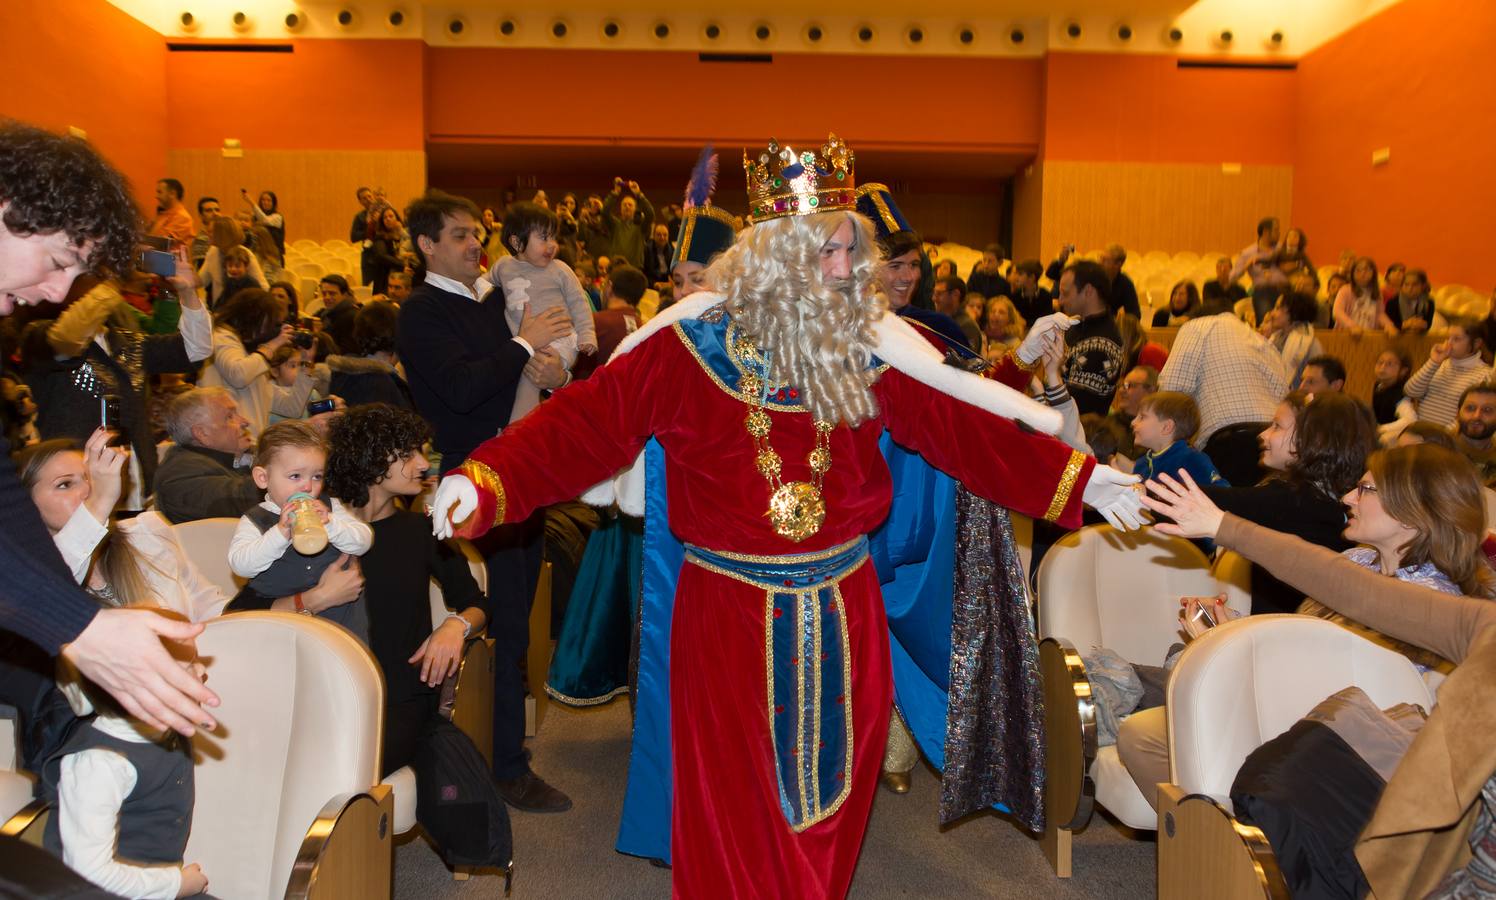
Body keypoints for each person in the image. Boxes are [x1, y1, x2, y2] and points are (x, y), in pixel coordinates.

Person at [428, 133, 1144, 895]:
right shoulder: (686, 353)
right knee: (733, 801)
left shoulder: (869, 354)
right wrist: (488, 479)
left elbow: (963, 432)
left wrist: (1080, 481)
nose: (843, 272)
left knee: (833, 803)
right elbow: (582, 426)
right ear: (773, 258)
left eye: (850, 254)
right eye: (824, 254)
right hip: (726, 615)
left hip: (845, 608)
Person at [227, 404, 515, 876]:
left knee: (328, 774)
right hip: (316, 691)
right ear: (368, 458)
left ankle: (328, 876)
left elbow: (479, 601)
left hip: (396, 695)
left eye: (422, 452)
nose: (423, 464)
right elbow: (240, 617)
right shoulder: (308, 526)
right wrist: (314, 598)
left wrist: (454, 626)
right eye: (406, 453)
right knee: (270, 763)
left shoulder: (421, 529)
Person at [0, 121, 218, 740]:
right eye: (62, 261)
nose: (56, 289)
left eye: (77, 274)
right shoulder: (48, 340)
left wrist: (188, 290)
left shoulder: (121, 342)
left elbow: (188, 349)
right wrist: (80, 626)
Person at [395, 189, 574, 814]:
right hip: (472, 483)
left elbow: (526, 374)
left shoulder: (492, 300)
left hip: (520, 474)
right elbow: (465, 390)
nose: (476, 244)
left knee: (517, 624)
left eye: (478, 234)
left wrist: (551, 372)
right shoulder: (421, 311)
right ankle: (504, 768)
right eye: (460, 235)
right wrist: (524, 346)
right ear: (426, 245)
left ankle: (507, 752)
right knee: (499, 621)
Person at [1200, 392, 1377, 614]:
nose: (1263, 434)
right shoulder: (1337, 502)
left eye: (1277, 426)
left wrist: (1146, 492)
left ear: (1312, 440)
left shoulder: (1293, 500)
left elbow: (1211, 501)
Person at [227, 420, 373, 639]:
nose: (307, 487)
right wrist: (279, 533)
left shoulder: (329, 507)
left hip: (343, 621)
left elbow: (363, 541)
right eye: (295, 476)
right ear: (263, 478)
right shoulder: (255, 519)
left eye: (317, 476)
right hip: (284, 627)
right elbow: (241, 565)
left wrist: (330, 524)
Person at [1158, 290, 1289, 486]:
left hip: (1229, 443)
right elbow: (1283, 393)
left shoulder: (1197, 326)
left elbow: (1171, 389)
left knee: (1223, 512)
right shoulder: (1261, 339)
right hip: (1273, 441)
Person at [489, 202, 597, 423]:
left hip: (561, 339)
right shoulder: (503, 267)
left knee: (532, 375)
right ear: (517, 242)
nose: (552, 245)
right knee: (526, 371)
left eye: (553, 238)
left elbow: (579, 303)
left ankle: (517, 431)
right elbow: (481, 285)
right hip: (527, 343)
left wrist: (587, 335)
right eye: (544, 238)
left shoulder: (560, 270)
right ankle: (524, 430)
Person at [200, 287, 318, 438]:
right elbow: (238, 375)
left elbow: (292, 408)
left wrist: (306, 362)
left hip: (247, 444)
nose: (268, 330)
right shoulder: (221, 336)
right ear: (254, 318)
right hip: (223, 442)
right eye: (269, 323)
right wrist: (272, 345)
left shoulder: (254, 358)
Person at [153, 388, 261, 523]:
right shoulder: (179, 475)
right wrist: (286, 472)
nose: (245, 422)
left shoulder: (238, 454)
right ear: (202, 434)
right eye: (229, 417)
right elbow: (241, 500)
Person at [1056, 259, 1124, 416]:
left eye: (1065, 293)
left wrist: (1052, 372)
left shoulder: (1102, 344)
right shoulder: (1075, 326)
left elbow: (1072, 406)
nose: (1060, 300)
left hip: (1081, 433)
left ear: (1088, 291)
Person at [1405, 318, 1491, 428]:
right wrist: (1434, 362)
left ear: (1476, 343)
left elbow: (1470, 417)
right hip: (1420, 430)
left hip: (1445, 438)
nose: (1448, 343)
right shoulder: (1439, 365)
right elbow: (1411, 392)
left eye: (1456, 339)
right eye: (1448, 338)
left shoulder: (1484, 375)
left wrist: (1442, 436)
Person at [1129, 391, 1227, 487]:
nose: (1133, 422)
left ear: (1166, 427)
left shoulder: (1192, 459)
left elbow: (1221, 494)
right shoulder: (1142, 464)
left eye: (1142, 417)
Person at [574, 265, 643, 381]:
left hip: (594, 394)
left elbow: (575, 369)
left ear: (609, 287)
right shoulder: (643, 327)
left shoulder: (594, 322)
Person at [1258, 291, 1323, 390]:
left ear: (1293, 313)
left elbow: (1319, 380)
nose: (1271, 313)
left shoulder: (1309, 343)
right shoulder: (1275, 338)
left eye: (1278, 308)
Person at [197, 217, 267, 308]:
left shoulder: (245, 254)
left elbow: (263, 288)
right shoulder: (213, 251)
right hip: (220, 310)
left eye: (211, 232)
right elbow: (201, 280)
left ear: (222, 235)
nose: (207, 234)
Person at [1232, 216, 1288, 324]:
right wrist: (1245, 266)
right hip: (1263, 292)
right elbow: (1233, 277)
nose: (1279, 233)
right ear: (1266, 232)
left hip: (1285, 291)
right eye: (1276, 230)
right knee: (1266, 323)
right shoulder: (1247, 253)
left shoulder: (1282, 250)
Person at [1334, 256, 1397, 334]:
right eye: (1358, 270)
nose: (1363, 273)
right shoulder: (1345, 290)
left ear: (1373, 273)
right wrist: (1352, 326)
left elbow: (1380, 314)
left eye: (1367, 270)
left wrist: (1388, 325)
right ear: (1352, 273)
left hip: (1369, 333)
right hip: (1347, 333)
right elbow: (1338, 312)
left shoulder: (1377, 293)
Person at [1108, 365, 1158, 462]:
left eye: (1130, 386)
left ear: (1151, 390)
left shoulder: (1158, 434)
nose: (1122, 390)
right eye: (1122, 385)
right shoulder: (1107, 426)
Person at [603, 179, 655, 268]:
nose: (627, 206)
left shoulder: (641, 226)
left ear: (635, 209)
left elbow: (650, 214)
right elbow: (605, 212)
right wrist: (615, 193)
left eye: (630, 205)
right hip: (616, 267)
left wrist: (639, 195)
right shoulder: (615, 225)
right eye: (624, 204)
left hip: (635, 268)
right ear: (620, 208)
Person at [1452, 382, 1496, 486]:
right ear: (1457, 413)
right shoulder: (1439, 448)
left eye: (1487, 410)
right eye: (1470, 408)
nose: (1477, 416)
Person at [932, 274, 982, 351]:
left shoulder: (967, 327)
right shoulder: (938, 320)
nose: (934, 298)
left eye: (939, 293)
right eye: (934, 293)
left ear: (955, 294)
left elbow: (967, 360)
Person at [369, 205, 406, 296]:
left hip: (401, 277)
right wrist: (402, 265)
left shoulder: (403, 235)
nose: (388, 219)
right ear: (382, 222)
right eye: (385, 217)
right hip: (385, 278)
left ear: (397, 218)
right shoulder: (380, 237)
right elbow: (382, 256)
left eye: (391, 216)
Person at [1387, 267, 1438, 333]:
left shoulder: (1429, 302)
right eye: (1406, 284)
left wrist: (1422, 325)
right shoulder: (1392, 303)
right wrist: (1406, 324)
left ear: (1423, 286)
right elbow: (1388, 325)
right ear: (1401, 286)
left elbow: (1428, 324)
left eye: (1415, 284)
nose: (1410, 288)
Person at [147, 178, 194, 250]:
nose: (156, 196)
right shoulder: (163, 214)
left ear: (172, 194)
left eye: (160, 192)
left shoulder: (182, 217)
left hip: (169, 260)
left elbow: (160, 242)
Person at [316, 274, 359, 353]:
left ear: (345, 295)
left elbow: (347, 352)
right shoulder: (323, 313)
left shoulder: (352, 317)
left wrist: (319, 336)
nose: (327, 297)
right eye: (324, 294)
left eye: (332, 293)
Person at [1372, 348, 1413, 428]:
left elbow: (1410, 420)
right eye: (1380, 362)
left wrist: (1382, 429)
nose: (1382, 367)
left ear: (1403, 371)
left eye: (1389, 364)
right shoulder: (1379, 385)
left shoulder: (1401, 393)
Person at [1007, 259, 1054, 326]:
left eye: (1020, 274)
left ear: (1032, 277)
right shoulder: (1015, 295)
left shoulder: (1046, 295)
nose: (1016, 277)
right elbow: (1014, 318)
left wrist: (1027, 323)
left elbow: (1046, 320)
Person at [240, 188, 284, 258]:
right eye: (263, 200)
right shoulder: (255, 215)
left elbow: (265, 220)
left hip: (273, 255)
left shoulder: (277, 217)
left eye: (269, 200)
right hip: (259, 253)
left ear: (273, 203)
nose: (265, 202)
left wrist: (251, 202)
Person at [981, 295, 1026, 363]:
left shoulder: (1014, 343)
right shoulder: (981, 336)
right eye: (993, 311)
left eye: (1001, 312)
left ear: (1009, 318)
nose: (996, 314)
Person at [188, 197, 219, 270]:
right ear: (201, 215)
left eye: (217, 210)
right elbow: (202, 270)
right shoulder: (200, 240)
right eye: (209, 211)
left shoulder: (226, 234)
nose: (215, 213)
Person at [641, 223, 673, 293]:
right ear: (653, 236)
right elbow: (643, 274)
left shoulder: (671, 250)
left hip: (666, 284)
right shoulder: (647, 250)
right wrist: (654, 284)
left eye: (665, 235)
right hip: (651, 285)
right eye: (659, 235)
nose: (662, 238)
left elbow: (673, 270)